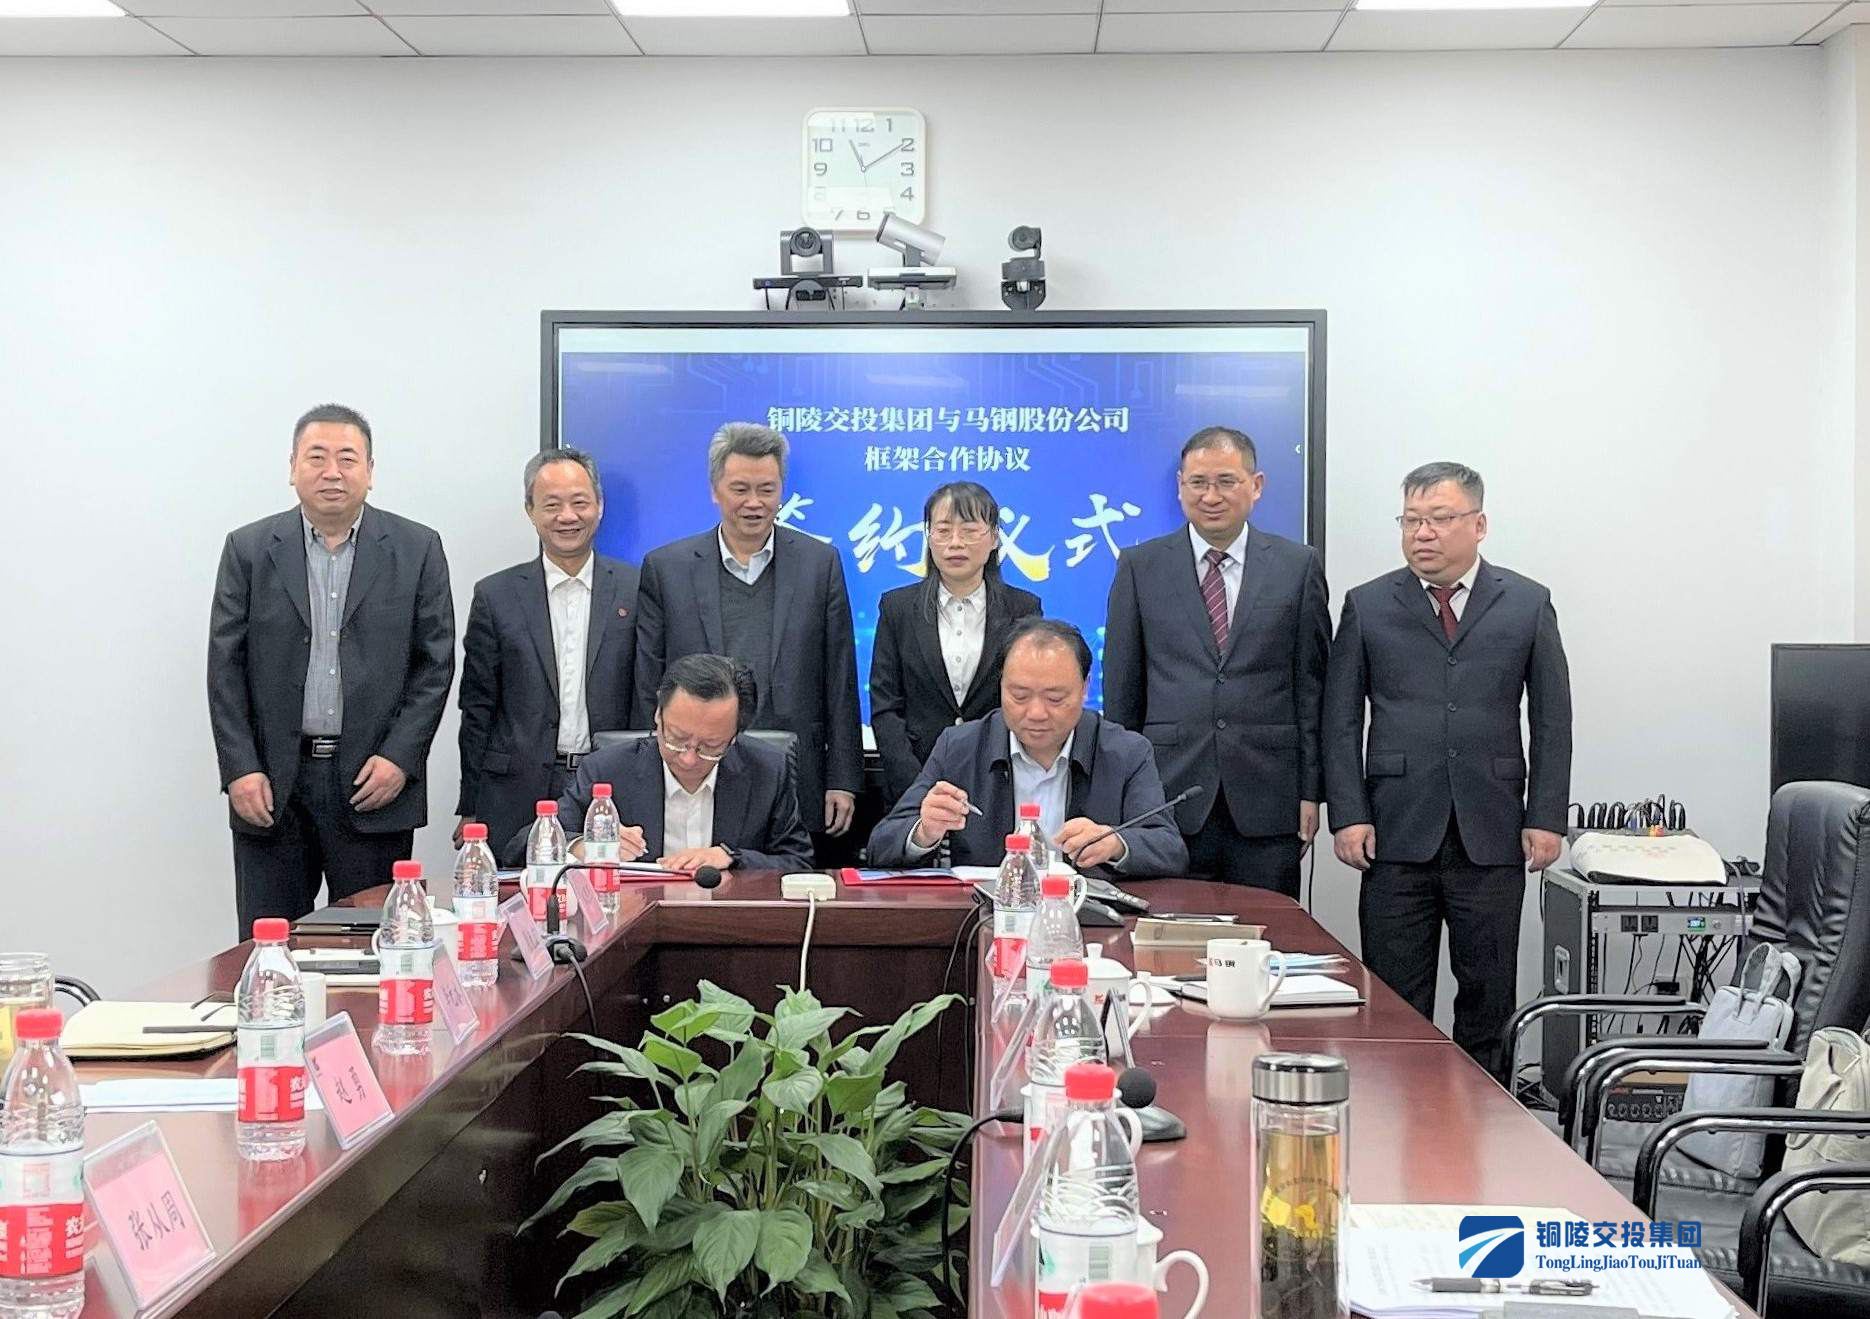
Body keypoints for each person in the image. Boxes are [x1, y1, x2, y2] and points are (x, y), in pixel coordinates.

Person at [1323, 461, 1572, 1064]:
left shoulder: (1527, 602)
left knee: (1488, 993)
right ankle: (1399, 1111)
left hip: (1492, 828)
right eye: (1411, 520)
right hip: (1395, 829)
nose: (1422, 533)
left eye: (1438, 518)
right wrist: (1348, 814)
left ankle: (1484, 1114)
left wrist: (1546, 817)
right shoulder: (1368, 604)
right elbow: (1341, 719)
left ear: (1479, 524)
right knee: (1393, 997)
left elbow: (1552, 718)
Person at [208, 404, 455, 935]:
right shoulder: (248, 549)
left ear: (370, 470)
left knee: (373, 945)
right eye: (316, 457)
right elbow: (225, 668)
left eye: (347, 458)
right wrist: (239, 768)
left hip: (374, 783)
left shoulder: (417, 548)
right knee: (270, 943)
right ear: (292, 467)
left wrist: (400, 758)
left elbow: (434, 665)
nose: (332, 472)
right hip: (272, 786)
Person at [1103, 426, 1330, 897]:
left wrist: (1311, 791)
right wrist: (1123, 793)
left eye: (1226, 481)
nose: (1211, 496)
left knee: (1270, 930)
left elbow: (1312, 690)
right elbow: (1123, 690)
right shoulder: (1140, 566)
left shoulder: (1297, 566)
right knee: (1168, 932)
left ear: (1256, 485)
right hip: (1168, 795)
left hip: (1269, 799)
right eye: (1198, 482)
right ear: (1180, 487)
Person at [632, 422, 861, 853]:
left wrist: (843, 778)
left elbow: (840, 677)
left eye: (767, 489)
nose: (754, 503)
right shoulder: (667, 568)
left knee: (784, 883)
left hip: (796, 774)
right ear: (715, 490)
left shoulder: (819, 563)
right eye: (740, 489)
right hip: (692, 768)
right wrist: (641, 777)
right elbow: (648, 683)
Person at [867, 618, 1187, 878]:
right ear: (1001, 685)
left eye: (1055, 699)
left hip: (1088, 920)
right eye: (1019, 696)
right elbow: (881, 845)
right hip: (986, 916)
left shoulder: (1126, 752)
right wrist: (925, 831)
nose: (1036, 713)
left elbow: (1169, 848)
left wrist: (1115, 843)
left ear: (1085, 687)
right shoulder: (960, 746)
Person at [456, 447, 639, 856]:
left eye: (579, 502)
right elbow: (478, 708)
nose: (567, 516)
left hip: (610, 785)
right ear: (530, 510)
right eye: (552, 505)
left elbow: (646, 696)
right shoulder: (495, 595)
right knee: (515, 892)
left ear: (600, 506)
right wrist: (471, 805)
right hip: (513, 791)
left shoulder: (636, 588)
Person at [506, 653, 813, 873]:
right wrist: (584, 846)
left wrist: (732, 858)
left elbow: (799, 862)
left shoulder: (767, 770)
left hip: (729, 927)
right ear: (658, 715)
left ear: (735, 737)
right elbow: (519, 848)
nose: (689, 757)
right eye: (677, 738)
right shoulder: (608, 770)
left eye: (710, 747)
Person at [869, 481, 1042, 805]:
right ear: (929, 536)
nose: (955, 542)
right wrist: (915, 787)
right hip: (916, 778)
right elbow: (886, 706)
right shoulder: (897, 608)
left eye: (970, 530)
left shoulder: (1023, 609)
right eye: (943, 530)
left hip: (998, 779)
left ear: (994, 538)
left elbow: (1027, 700)